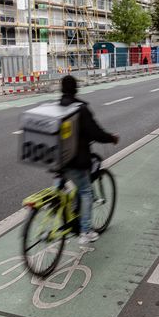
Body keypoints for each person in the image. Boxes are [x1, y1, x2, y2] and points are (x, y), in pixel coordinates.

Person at [59, 75, 119, 245]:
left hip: (56, 160)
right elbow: (95, 132)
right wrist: (111, 138)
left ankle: (70, 214)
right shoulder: (81, 109)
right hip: (75, 160)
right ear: (76, 89)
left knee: (71, 186)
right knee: (85, 190)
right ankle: (85, 231)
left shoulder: (57, 106)